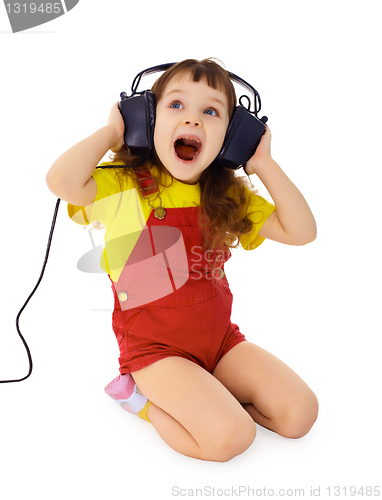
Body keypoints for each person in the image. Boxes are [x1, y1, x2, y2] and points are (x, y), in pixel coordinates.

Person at [46, 59, 319, 462]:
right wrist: (112, 131)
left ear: (231, 139)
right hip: (156, 351)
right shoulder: (123, 185)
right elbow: (61, 181)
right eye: (175, 105)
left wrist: (263, 164)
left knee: (299, 416)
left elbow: (302, 232)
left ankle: (206, 396)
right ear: (146, 120)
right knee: (230, 440)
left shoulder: (229, 196)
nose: (192, 119)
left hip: (220, 342)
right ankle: (142, 400)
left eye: (210, 111)